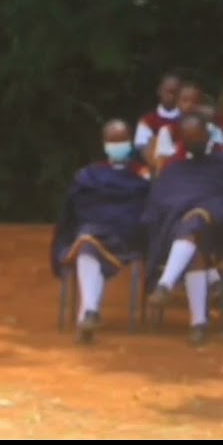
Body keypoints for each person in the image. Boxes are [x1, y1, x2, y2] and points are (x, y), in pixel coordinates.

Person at [144, 113, 223, 345]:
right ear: (182, 139)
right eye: (189, 137)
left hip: (221, 230)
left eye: (199, 135)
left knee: (196, 220)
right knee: (193, 237)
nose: (195, 140)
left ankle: (165, 283)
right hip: (181, 231)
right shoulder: (174, 167)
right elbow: (162, 204)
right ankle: (198, 324)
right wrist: (185, 208)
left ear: (208, 134)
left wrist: (209, 208)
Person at [50, 119, 153, 344]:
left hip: (126, 237)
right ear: (105, 144)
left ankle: (88, 313)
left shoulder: (142, 175)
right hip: (94, 231)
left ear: (131, 142)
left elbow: (145, 210)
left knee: (88, 241)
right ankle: (89, 312)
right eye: (113, 141)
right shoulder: (90, 175)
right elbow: (77, 208)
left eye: (123, 141)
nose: (118, 145)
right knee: (87, 245)